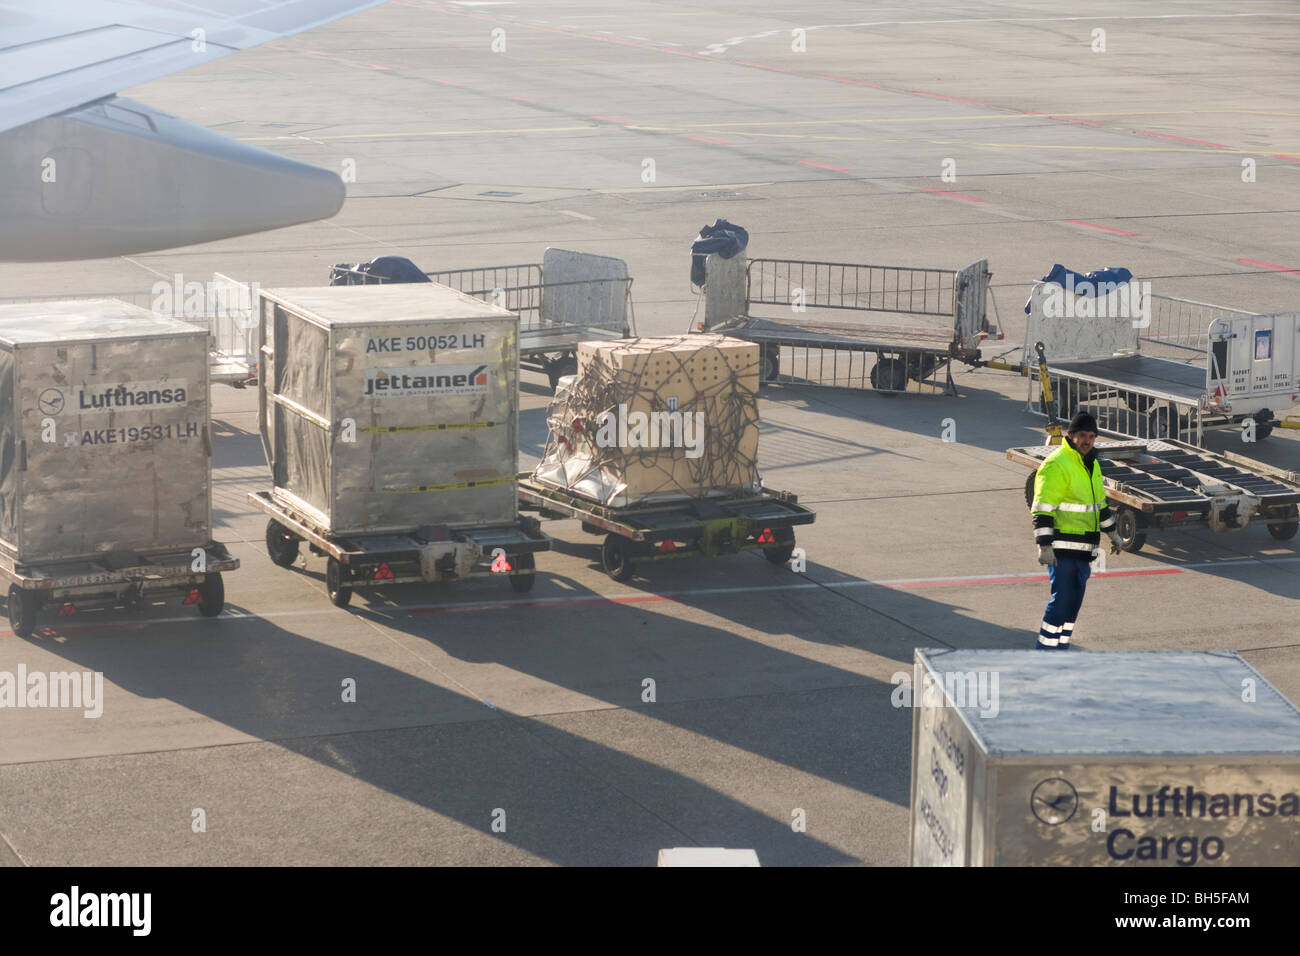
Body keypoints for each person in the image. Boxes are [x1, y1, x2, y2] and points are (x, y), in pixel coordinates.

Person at [1030, 412, 1123, 649]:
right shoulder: (1057, 464)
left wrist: (1113, 533)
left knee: (1072, 605)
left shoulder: (1091, 463)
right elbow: (1042, 509)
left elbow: (1100, 506)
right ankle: (1044, 652)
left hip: (1083, 551)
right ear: (1071, 436)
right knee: (1061, 602)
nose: (1087, 441)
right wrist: (1044, 546)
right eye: (1083, 435)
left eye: (1092, 436)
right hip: (1062, 550)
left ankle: (1061, 648)